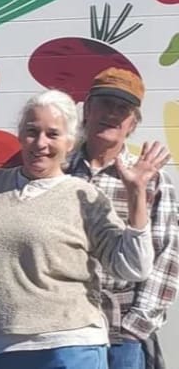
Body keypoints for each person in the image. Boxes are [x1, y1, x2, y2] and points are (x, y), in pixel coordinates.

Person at [0, 89, 169, 368]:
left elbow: (133, 267)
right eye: (32, 131)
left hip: (71, 345)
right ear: (20, 135)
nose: (41, 143)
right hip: (0, 346)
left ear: (70, 142)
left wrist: (136, 194)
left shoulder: (83, 195)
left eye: (53, 134)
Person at [64, 68, 179, 369]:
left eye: (123, 108)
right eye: (105, 103)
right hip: (63, 325)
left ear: (132, 124)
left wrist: (135, 328)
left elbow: (166, 258)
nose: (112, 114)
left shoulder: (152, 180)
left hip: (120, 330)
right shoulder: (58, 172)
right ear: (87, 110)